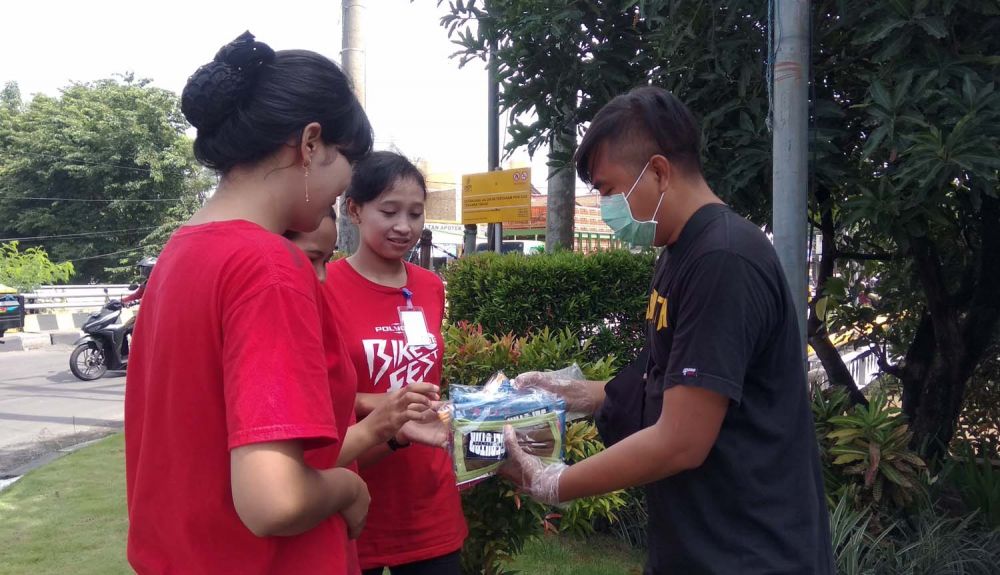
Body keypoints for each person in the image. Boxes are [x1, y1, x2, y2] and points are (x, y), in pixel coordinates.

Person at [125, 32, 434, 575]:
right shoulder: (268, 267)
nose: (345, 184)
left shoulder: (180, 251)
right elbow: (276, 499)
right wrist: (348, 490)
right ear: (311, 143)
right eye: (348, 162)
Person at [503, 86, 834, 574]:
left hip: (749, 552)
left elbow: (682, 438)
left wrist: (555, 482)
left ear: (658, 171)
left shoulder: (723, 260)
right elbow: (669, 385)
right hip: (697, 544)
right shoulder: (680, 252)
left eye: (609, 189)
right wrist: (572, 394)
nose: (605, 206)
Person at [324, 151, 467, 575]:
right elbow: (316, 393)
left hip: (428, 499)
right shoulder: (324, 286)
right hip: (353, 492)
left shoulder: (429, 286)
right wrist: (380, 407)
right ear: (354, 209)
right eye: (389, 211)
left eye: (415, 213)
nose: (404, 226)